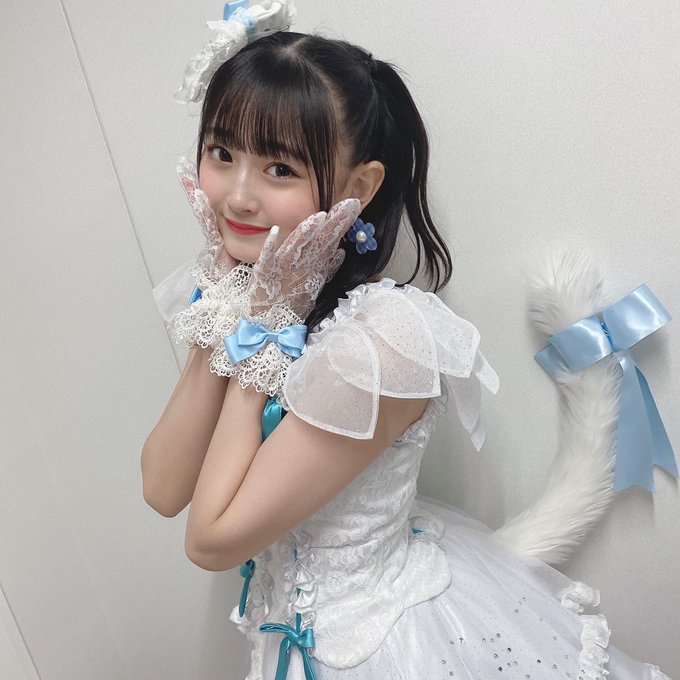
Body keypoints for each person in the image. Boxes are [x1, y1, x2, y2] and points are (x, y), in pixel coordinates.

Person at [141, 3, 672, 678]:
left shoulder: (383, 340)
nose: (237, 196)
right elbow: (163, 488)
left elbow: (212, 540)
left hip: (385, 648)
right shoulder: (244, 295)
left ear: (360, 186)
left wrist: (264, 330)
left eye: (279, 168)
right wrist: (225, 306)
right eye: (222, 154)